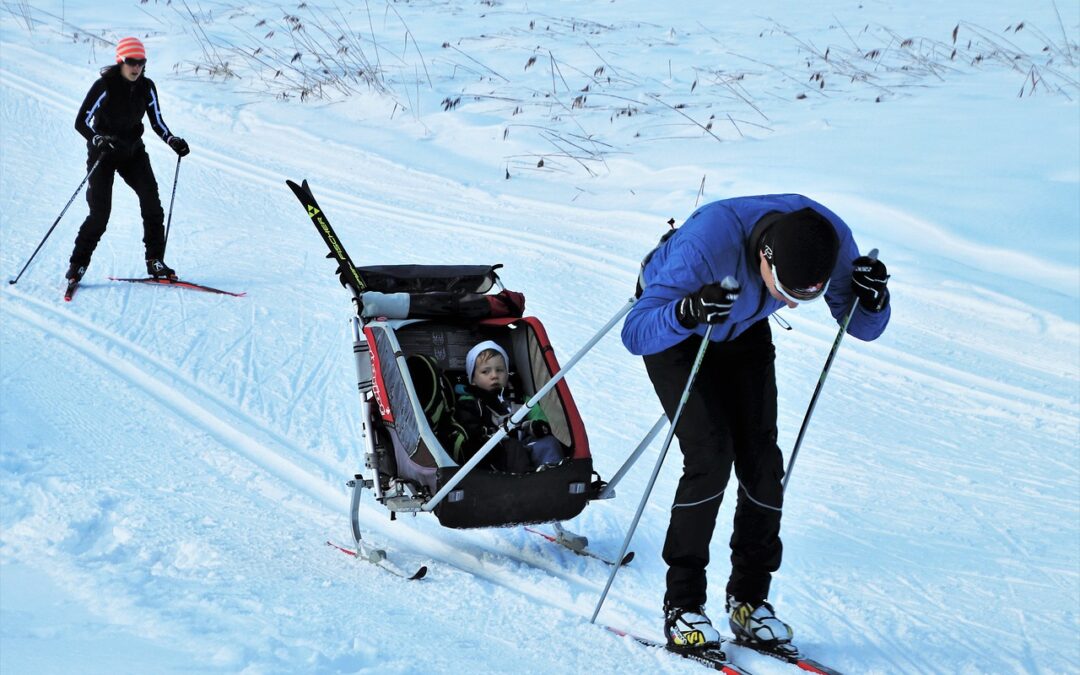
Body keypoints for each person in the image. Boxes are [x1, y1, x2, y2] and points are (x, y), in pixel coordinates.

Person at [621, 195, 891, 652]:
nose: (791, 306)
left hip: (742, 327)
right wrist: (686, 312)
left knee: (763, 462)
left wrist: (874, 299)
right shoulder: (708, 243)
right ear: (765, 257)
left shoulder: (830, 238)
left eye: (805, 297)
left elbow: (862, 327)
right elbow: (637, 331)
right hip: (681, 326)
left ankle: (749, 602)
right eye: (785, 293)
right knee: (710, 454)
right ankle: (683, 605)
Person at [65, 36, 191, 285]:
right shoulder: (104, 86)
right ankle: (77, 265)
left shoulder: (146, 86)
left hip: (133, 153)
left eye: (141, 62)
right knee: (100, 214)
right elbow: (81, 122)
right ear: (121, 61)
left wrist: (172, 139)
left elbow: (156, 121)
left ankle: (155, 260)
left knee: (152, 203)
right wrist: (97, 139)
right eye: (131, 62)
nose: (136, 68)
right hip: (104, 154)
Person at [454, 340, 564, 472]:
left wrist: (537, 427)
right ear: (472, 379)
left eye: (500, 370)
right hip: (493, 452)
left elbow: (538, 417)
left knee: (549, 443)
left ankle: (553, 475)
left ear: (507, 374)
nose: (494, 376)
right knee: (512, 447)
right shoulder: (470, 403)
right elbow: (470, 429)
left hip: (526, 443)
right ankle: (527, 482)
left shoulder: (520, 398)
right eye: (485, 372)